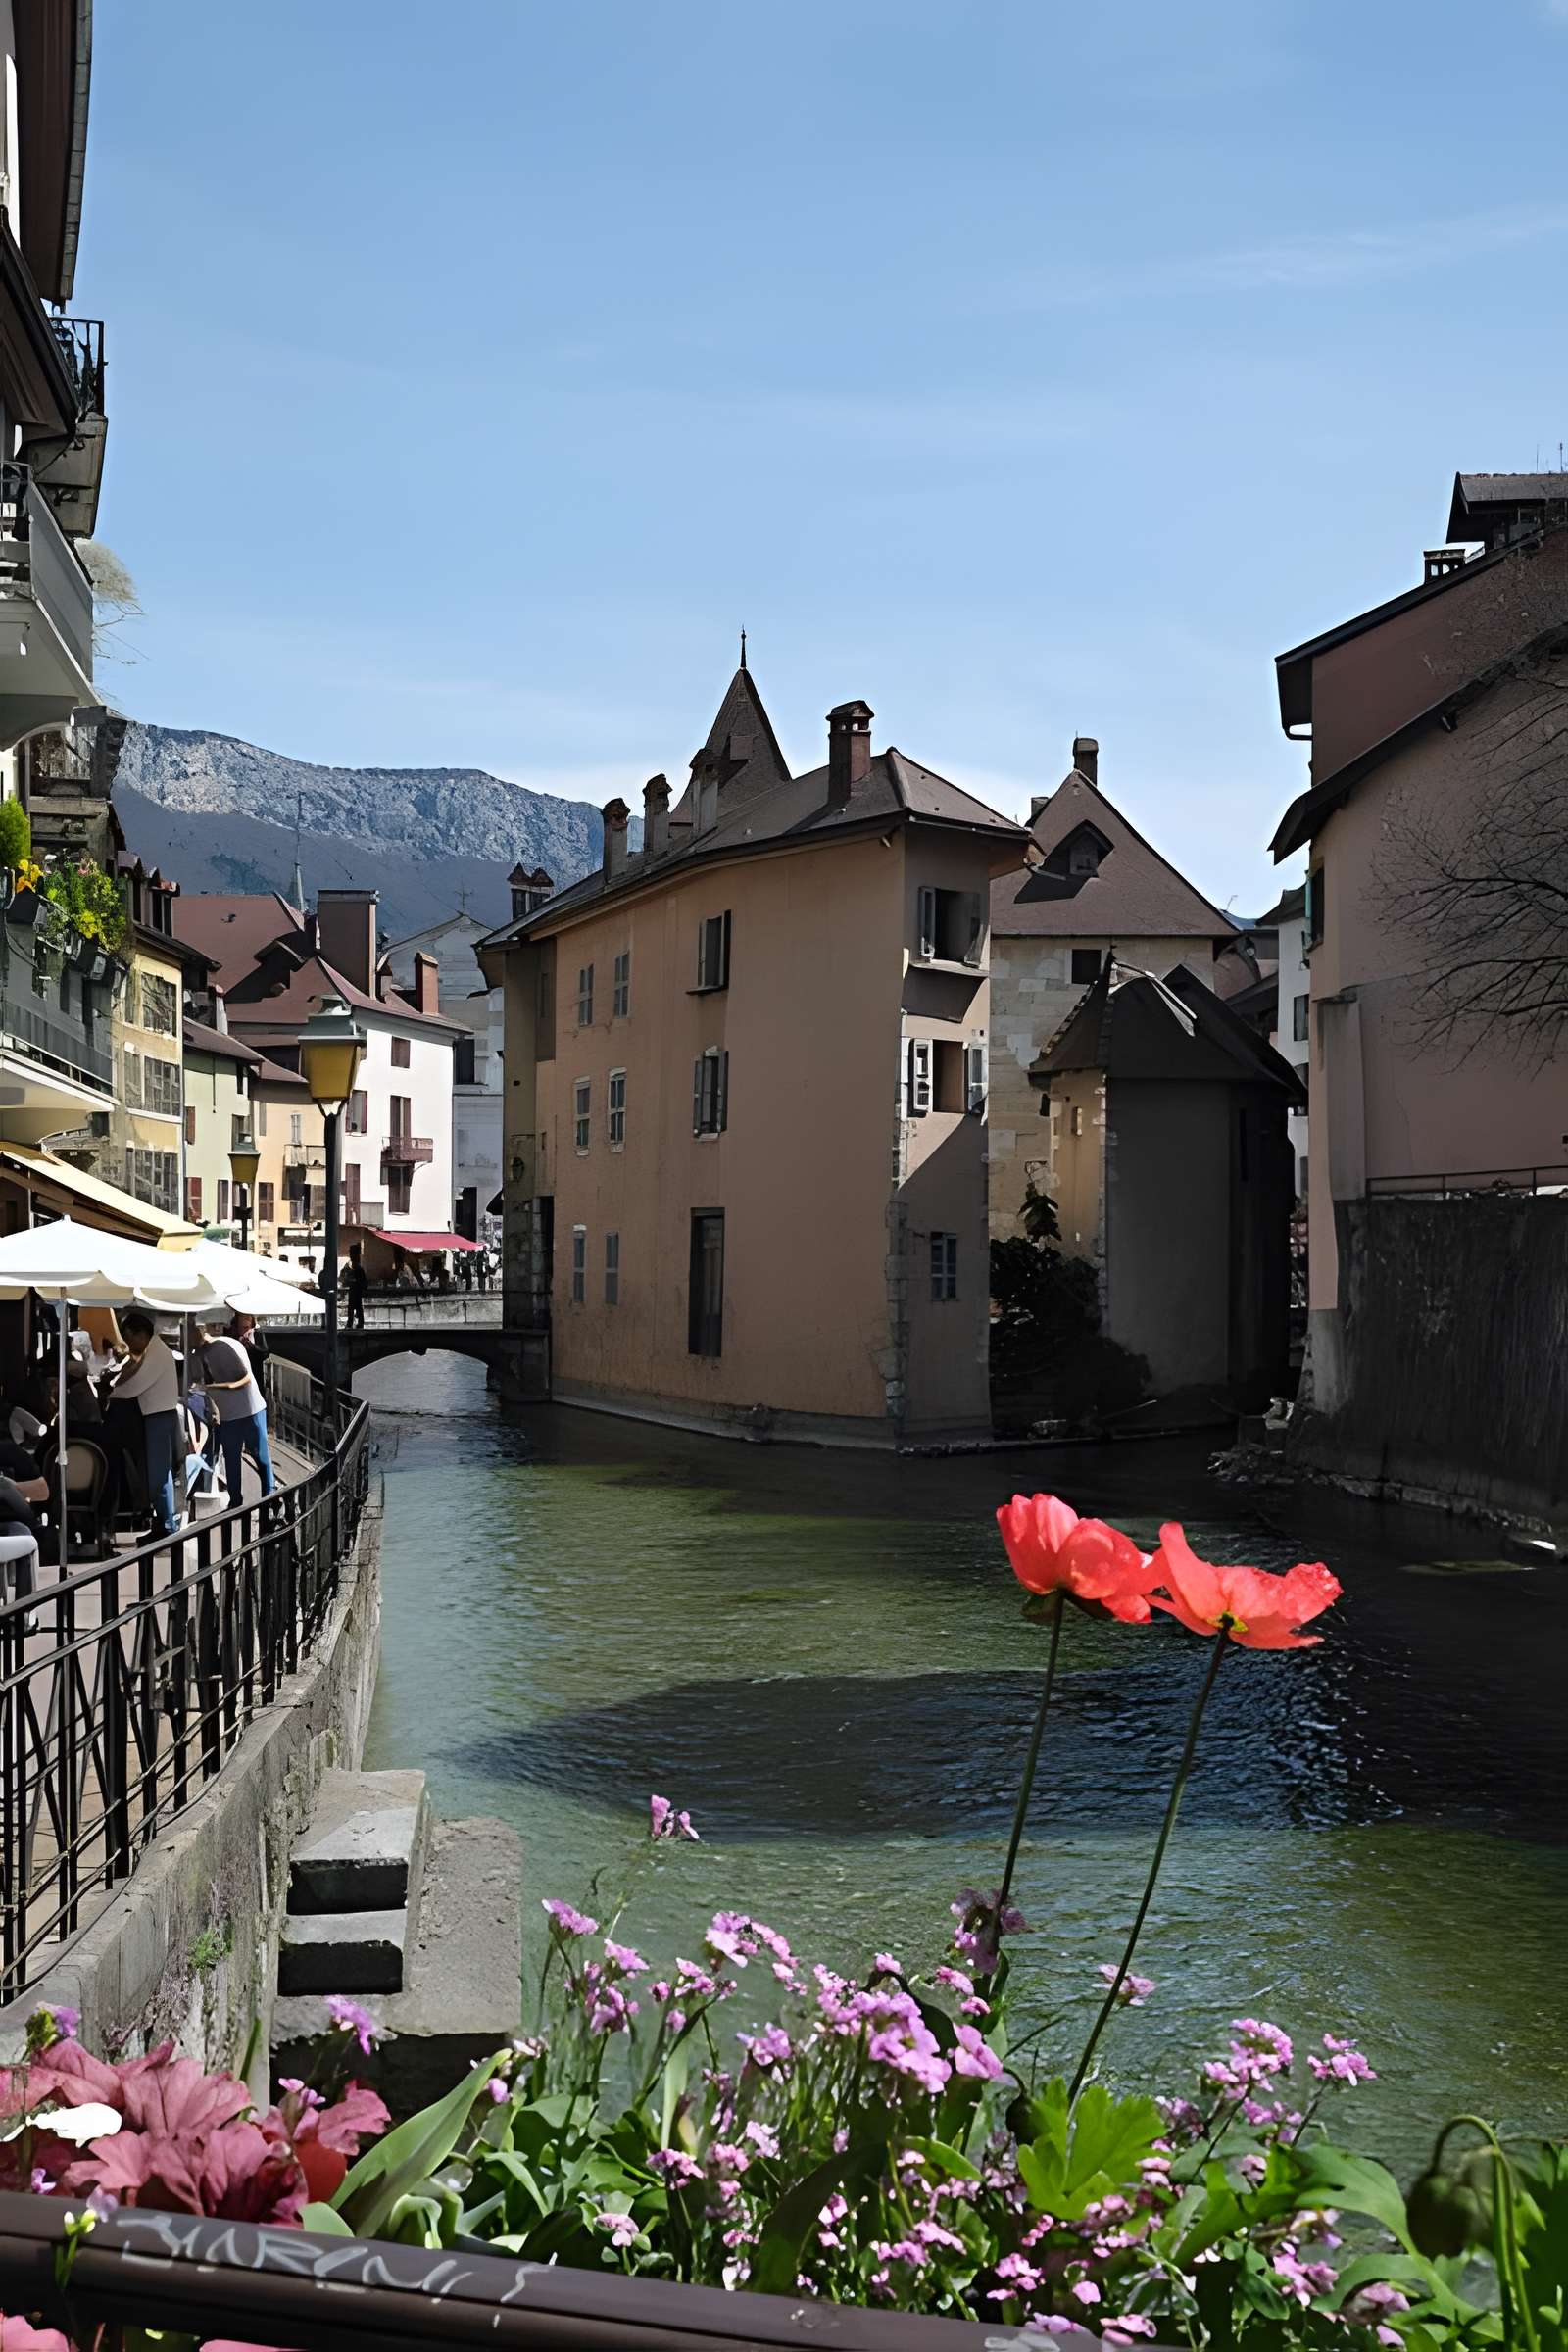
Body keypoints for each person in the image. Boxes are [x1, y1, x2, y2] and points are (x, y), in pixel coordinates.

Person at [111, 1312, 183, 1538]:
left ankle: (166, 1526)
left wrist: (113, 1393)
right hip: (158, 1416)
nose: (129, 1344)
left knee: (159, 1476)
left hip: (159, 1418)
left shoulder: (157, 1353)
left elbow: (135, 1385)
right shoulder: (153, 1350)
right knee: (160, 1474)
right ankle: (164, 1523)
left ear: (140, 1334)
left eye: (129, 1338)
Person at [192, 1319, 275, 1502]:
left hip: (249, 1409)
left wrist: (213, 1387)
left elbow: (243, 1379)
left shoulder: (223, 1347)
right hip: (229, 1413)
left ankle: (269, 1497)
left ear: (198, 1331)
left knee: (259, 1456)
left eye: (187, 1334)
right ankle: (238, 1499)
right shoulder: (201, 1352)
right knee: (232, 1459)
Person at [344, 1243, 368, 1331]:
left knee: (355, 1307)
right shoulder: (354, 1268)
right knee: (355, 1307)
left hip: (356, 1290)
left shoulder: (357, 1269)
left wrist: (350, 1280)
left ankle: (354, 1322)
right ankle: (355, 1322)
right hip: (355, 1290)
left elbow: (361, 1281)